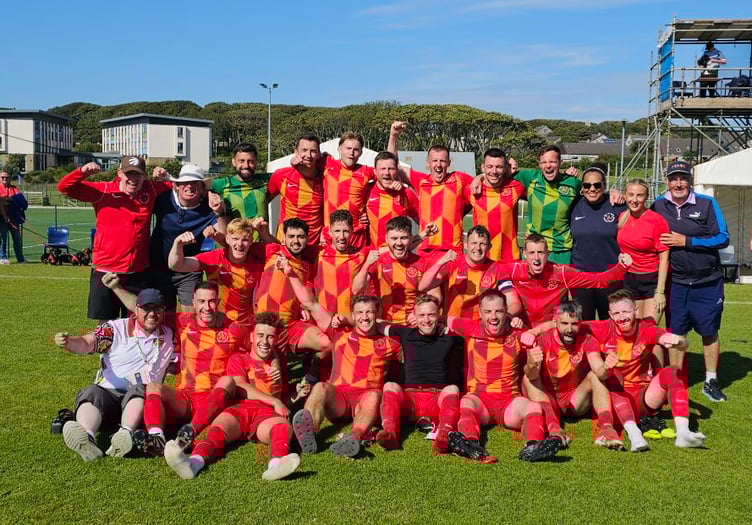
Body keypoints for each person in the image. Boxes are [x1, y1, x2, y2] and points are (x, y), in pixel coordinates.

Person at [163, 312, 300, 481]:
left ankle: (276, 465)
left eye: (270, 337)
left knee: (282, 427)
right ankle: (192, 464)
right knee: (216, 432)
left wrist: (296, 395)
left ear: (276, 339)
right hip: (238, 409)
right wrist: (275, 400)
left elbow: (282, 401)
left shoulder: (277, 368)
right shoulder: (239, 359)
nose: (264, 342)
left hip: (265, 415)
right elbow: (240, 385)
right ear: (251, 337)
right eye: (260, 335)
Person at [123, 282, 248, 458]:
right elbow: (147, 312)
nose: (207, 307)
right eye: (202, 301)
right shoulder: (182, 320)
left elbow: (258, 349)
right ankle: (156, 438)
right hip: (186, 398)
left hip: (214, 399)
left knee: (228, 381)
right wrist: (116, 288)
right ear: (194, 302)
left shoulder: (233, 328)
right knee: (153, 386)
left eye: (211, 301)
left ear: (218, 302)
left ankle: (190, 432)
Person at [53, 286, 174, 461]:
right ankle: (87, 437)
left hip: (141, 401)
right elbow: (88, 343)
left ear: (163, 311)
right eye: (146, 308)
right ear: (136, 309)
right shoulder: (114, 328)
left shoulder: (169, 335)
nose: (152, 314)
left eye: (157, 309)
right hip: (108, 394)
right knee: (91, 392)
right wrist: (69, 342)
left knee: (141, 389)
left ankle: (125, 434)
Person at [449, 289, 563, 462]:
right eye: (487, 311)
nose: (493, 317)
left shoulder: (518, 334)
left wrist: (533, 362)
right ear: (480, 313)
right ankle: (470, 444)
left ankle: (533, 447)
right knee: (466, 402)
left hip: (509, 400)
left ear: (506, 312)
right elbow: (441, 319)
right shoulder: (470, 327)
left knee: (533, 408)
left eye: (498, 311)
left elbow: (532, 373)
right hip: (481, 400)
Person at [587, 290, 707, 449]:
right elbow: (568, 324)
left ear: (635, 310)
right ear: (609, 314)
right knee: (613, 375)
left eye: (626, 311)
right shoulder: (601, 328)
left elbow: (674, 340)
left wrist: (679, 341)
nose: (621, 317)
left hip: (645, 397)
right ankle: (634, 435)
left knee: (672, 372)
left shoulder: (646, 328)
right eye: (616, 313)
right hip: (615, 398)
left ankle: (683, 432)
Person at [651, 160, 730, 402]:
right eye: (674, 178)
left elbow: (723, 238)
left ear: (690, 181)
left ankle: (710, 380)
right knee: (676, 332)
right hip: (677, 283)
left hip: (707, 281)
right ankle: (676, 381)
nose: (678, 183)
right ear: (667, 181)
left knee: (709, 331)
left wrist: (688, 241)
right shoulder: (657, 204)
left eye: (683, 178)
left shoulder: (707, 204)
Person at [57, 156, 172, 321]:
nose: (133, 179)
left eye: (137, 174)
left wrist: (165, 176)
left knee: (135, 324)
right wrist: (82, 171)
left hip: (137, 272)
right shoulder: (103, 190)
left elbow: (180, 187)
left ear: (144, 176)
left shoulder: (151, 189)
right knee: (106, 325)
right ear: (119, 174)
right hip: (106, 270)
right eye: (128, 174)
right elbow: (65, 187)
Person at [292, 295, 402, 458]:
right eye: (360, 312)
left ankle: (354, 438)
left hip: (365, 401)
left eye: (369, 312)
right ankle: (309, 433)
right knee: (321, 387)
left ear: (378, 313)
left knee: (373, 395)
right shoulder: (339, 332)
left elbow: (412, 348)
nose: (364, 317)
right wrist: (290, 272)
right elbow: (312, 304)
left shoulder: (390, 343)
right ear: (353, 314)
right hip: (339, 399)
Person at [521, 300, 625, 450]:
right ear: (555, 322)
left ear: (580, 323)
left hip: (575, 400)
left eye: (574, 324)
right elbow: (532, 376)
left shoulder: (588, 340)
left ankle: (607, 429)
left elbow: (600, 373)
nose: (569, 329)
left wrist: (606, 367)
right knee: (528, 379)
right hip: (548, 398)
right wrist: (531, 364)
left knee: (595, 376)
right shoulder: (542, 340)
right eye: (564, 323)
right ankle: (554, 429)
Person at [375, 295, 464, 454]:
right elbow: (377, 324)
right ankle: (391, 434)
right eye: (421, 315)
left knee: (452, 389)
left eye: (431, 314)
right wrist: (343, 320)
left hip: (438, 402)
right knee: (390, 386)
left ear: (439, 314)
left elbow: (473, 327)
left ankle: (443, 437)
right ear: (414, 317)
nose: (427, 320)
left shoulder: (450, 335)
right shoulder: (405, 333)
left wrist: (445, 322)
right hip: (410, 402)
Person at [493, 233, 631, 327]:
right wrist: (508, 316)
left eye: (540, 253)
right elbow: (491, 271)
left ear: (548, 253)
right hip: (521, 329)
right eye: (531, 253)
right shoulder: (512, 270)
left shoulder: (561, 273)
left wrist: (622, 267)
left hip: (550, 331)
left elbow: (599, 280)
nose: (536, 258)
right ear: (524, 254)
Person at [387, 121, 474, 258]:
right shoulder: (421, 181)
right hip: (425, 251)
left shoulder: (460, 179)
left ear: (449, 163)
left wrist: (480, 177)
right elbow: (391, 165)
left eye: (442, 161)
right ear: (428, 163)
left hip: (452, 252)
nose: (438, 165)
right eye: (434, 161)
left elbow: (486, 182)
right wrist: (393, 136)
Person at [150, 164, 227, 311]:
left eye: (195, 183)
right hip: (159, 267)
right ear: (177, 186)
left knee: (191, 316)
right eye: (185, 182)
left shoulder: (209, 207)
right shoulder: (163, 199)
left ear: (203, 188)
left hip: (188, 269)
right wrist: (157, 177)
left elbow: (225, 238)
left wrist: (219, 212)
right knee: (163, 316)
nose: (189, 187)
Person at [168, 217, 270, 325]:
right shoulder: (214, 258)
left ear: (251, 242)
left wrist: (265, 234)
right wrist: (177, 244)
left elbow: (282, 250)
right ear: (227, 239)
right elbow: (176, 265)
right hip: (216, 323)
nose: (240, 244)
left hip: (245, 326)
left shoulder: (258, 260)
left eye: (245, 240)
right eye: (235, 239)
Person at [419, 225, 522, 320]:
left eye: (482, 244)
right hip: (453, 327)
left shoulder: (498, 269)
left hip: (481, 330)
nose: (477, 248)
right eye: (474, 243)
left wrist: (504, 318)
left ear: (489, 247)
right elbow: (423, 286)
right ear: (465, 245)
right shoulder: (453, 264)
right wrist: (440, 262)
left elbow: (514, 302)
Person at [570, 164, 626, 320]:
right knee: (583, 327)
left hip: (610, 278)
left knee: (610, 325)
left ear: (604, 186)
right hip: (581, 278)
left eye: (597, 185)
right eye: (587, 185)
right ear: (582, 187)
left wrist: (620, 194)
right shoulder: (574, 205)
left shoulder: (617, 205)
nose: (592, 189)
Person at [352, 216, 432, 325]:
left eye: (403, 238)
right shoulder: (377, 261)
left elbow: (435, 295)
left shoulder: (423, 263)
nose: (399, 243)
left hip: (413, 327)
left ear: (411, 238)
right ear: (386, 239)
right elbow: (356, 290)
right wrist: (366, 265)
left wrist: (420, 313)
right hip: (383, 325)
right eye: (394, 238)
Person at [616, 179, 670, 322]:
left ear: (646, 197)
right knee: (634, 329)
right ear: (625, 196)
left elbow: (664, 259)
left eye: (639, 195)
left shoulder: (656, 221)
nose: (634, 200)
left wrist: (660, 291)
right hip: (629, 279)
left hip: (651, 280)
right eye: (631, 195)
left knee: (649, 331)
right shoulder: (622, 217)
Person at [464, 148, 525, 262]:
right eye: (490, 166)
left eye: (499, 167)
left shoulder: (516, 187)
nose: (494, 171)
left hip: (510, 258)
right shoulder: (471, 190)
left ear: (506, 168)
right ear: (483, 167)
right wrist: (480, 177)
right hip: (482, 258)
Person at [268, 133, 325, 245]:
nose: (308, 155)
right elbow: (263, 200)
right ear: (296, 152)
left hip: (314, 244)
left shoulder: (326, 177)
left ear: (318, 154)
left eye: (313, 151)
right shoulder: (281, 175)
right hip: (286, 243)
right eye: (304, 150)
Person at [321, 132, 373, 249]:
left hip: (356, 235)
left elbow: (388, 167)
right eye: (348, 148)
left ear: (361, 152)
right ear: (339, 149)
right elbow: (307, 157)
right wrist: (295, 159)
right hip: (331, 235)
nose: (351, 153)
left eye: (356, 149)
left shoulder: (366, 171)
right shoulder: (327, 164)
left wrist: (393, 136)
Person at [211, 143, 272, 239]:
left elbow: (286, 174)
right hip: (233, 248)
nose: (246, 165)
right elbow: (198, 187)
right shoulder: (221, 184)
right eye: (241, 161)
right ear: (234, 162)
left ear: (256, 162)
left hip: (260, 248)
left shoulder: (265, 181)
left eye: (250, 161)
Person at [364, 151, 419, 248]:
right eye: (383, 169)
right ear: (375, 172)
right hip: (375, 256)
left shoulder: (406, 193)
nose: (387, 173)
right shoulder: (366, 190)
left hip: (399, 256)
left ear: (397, 171)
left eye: (391, 169)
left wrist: (412, 243)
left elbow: (423, 221)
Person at [0, 170, 26, 264]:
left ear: (10, 178)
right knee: (3, 239)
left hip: (14, 218)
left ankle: (20, 259)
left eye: (6, 177)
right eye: (2, 177)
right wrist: (5, 215)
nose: (4, 179)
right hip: (2, 219)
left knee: (17, 239)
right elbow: (0, 204)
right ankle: (3, 258)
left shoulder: (14, 188)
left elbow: (19, 201)